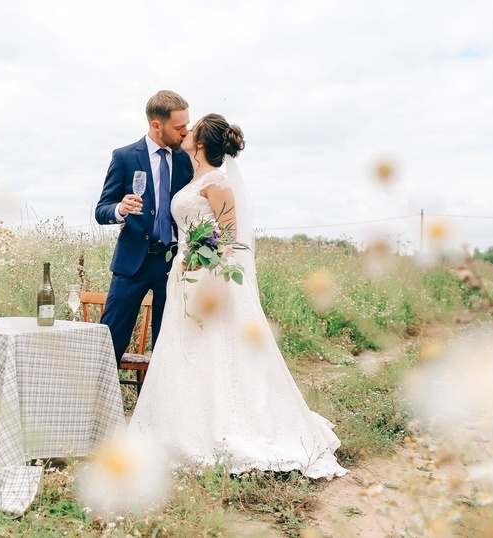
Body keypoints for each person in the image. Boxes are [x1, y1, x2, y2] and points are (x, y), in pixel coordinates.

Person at [128, 114, 348, 479]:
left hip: (210, 279)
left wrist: (199, 259)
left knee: (216, 352)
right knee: (186, 353)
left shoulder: (217, 182)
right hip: (183, 278)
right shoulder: (194, 177)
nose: (186, 130)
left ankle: (224, 427)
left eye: (192, 127)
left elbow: (229, 237)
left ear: (200, 141)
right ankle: (180, 424)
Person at [95, 90, 194, 365]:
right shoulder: (125, 157)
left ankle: (160, 407)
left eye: (187, 124)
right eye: (179, 127)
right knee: (110, 339)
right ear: (156, 125)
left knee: (169, 345)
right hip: (131, 264)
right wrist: (119, 209)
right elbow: (101, 210)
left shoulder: (187, 159)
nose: (185, 132)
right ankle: (99, 403)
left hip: (173, 264)